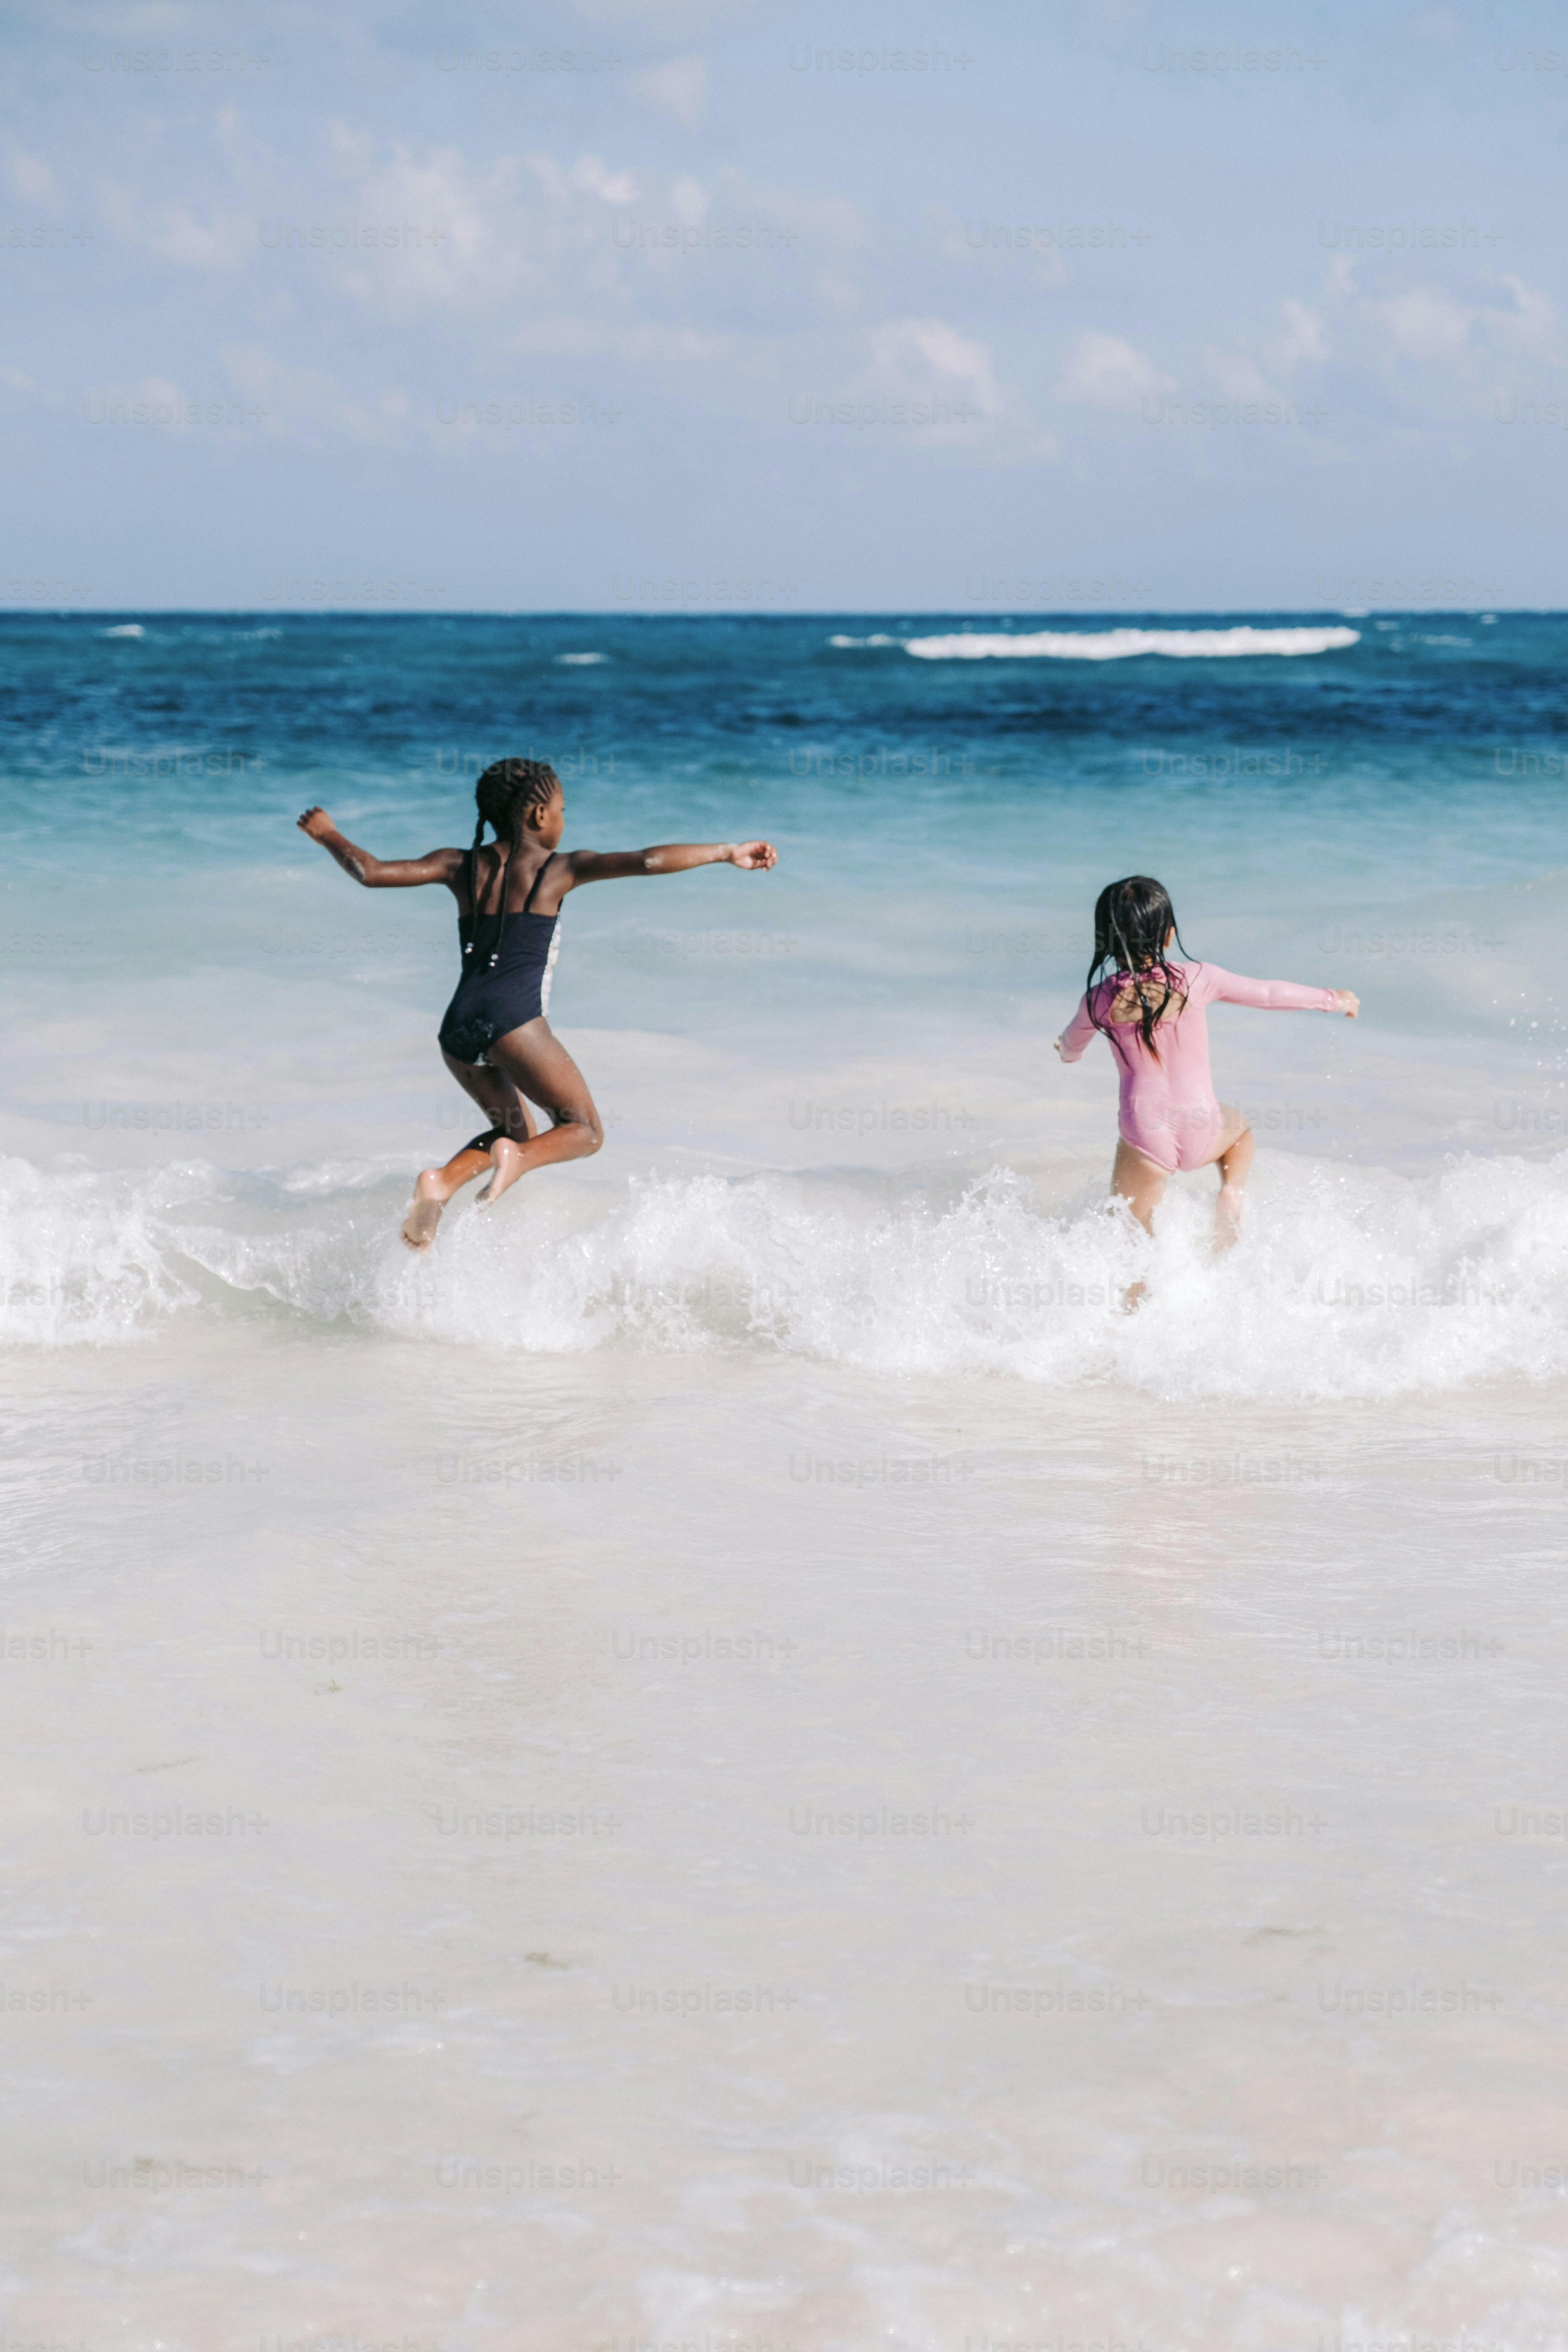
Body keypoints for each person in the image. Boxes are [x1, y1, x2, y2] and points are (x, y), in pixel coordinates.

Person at [297, 756, 777, 1249]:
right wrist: (726, 851)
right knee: (583, 1130)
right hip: (514, 1019)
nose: (565, 820)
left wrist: (328, 834)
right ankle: (518, 1162)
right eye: (563, 809)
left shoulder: (458, 864)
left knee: (516, 1129)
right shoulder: (559, 869)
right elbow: (649, 860)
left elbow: (371, 872)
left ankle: (440, 1185)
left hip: (458, 1025)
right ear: (539, 816)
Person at [1055, 874, 1358, 1256]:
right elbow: (1269, 993)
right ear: (1169, 935)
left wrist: (1066, 1050)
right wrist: (1334, 999)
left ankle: (1134, 1307)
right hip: (1203, 1125)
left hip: (1145, 1135)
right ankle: (1231, 1194)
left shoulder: (1098, 1001)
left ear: (1105, 941)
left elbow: (1070, 1047)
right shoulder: (1198, 979)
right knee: (1240, 1131)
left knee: (1132, 1243)